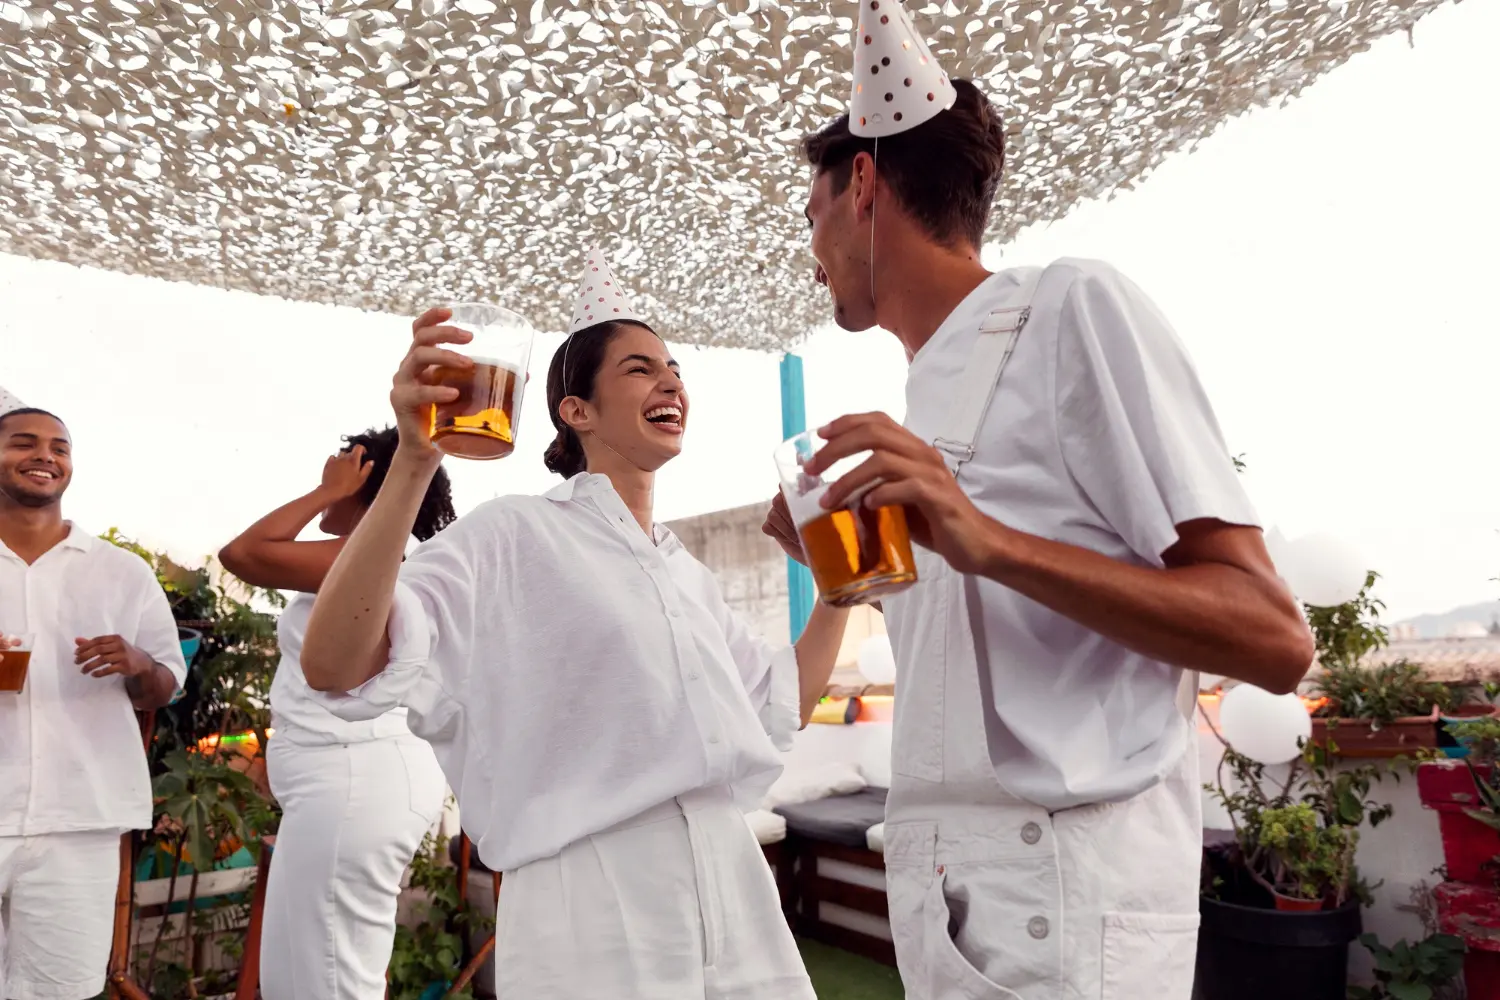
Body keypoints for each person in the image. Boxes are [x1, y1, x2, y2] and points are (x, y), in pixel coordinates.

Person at [761, 11, 1316, 1000]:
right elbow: (1001, 648)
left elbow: (1274, 638)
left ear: (863, 185)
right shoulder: (926, 397)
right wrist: (851, 573)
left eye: (811, 215)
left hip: (1063, 900)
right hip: (954, 903)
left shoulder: (1069, 308)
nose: (809, 254)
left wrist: (986, 542)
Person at [297, 249, 846, 1000]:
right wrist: (415, 461)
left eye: (674, 369)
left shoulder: (683, 573)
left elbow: (783, 703)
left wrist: (839, 588)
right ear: (576, 410)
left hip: (735, 879)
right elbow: (334, 665)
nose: (671, 382)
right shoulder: (514, 533)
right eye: (639, 369)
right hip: (592, 900)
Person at [218, 426, 455, 1000]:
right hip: (349, 780)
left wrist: (326, 492)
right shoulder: (369, 554)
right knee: (304, 976)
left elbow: (243, 554)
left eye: (341, 468)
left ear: (366, 479)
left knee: (326, 980)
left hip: (355, 779)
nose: (327, 477)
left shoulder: (380, 553)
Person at [0, 402, 188, 1000]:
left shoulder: (122, 573)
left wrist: (139, 663)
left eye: (59, 447)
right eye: (23, 442)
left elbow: (165, 684)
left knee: (60, 990)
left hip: (79, 820)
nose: (44, 456)